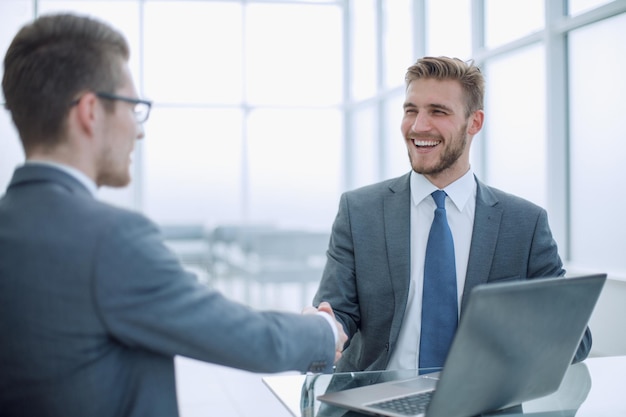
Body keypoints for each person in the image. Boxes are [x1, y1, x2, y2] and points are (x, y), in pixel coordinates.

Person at [0, 13, 347, 417]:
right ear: (90, 111)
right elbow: (248, 338)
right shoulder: (110, 240)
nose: (139, 130)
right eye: (133, 107)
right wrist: (323, 331)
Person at [313, 56, 591, 373]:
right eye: (410, 110)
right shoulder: (360, 211)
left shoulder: (524, 224)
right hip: (375, 400)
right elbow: (337, 312)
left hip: (481, 403)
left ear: (474, 122)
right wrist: (324, 326)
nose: (418, 126)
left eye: (438, 112)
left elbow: (576, 341)